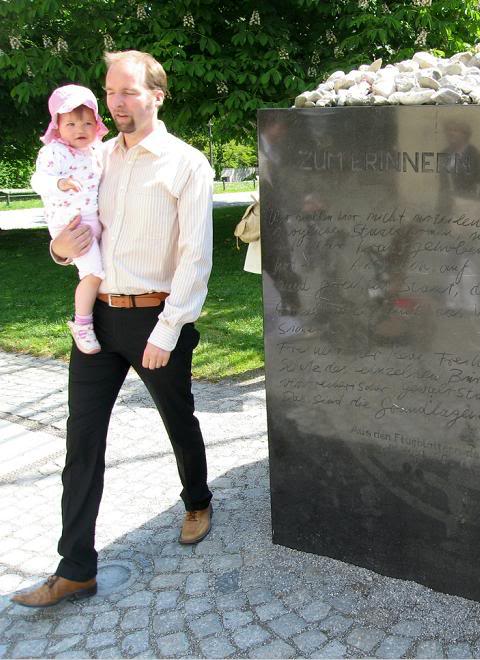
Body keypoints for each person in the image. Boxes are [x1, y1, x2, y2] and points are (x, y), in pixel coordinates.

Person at [11, 50, 215, 608]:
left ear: (157, 95)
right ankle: (75, 568)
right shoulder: (94, 159)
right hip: (98, 318)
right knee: (81, 440)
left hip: (156, 317)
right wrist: (58, 249)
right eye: (110, 92)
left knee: (178, 417)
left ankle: (197, 500)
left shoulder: (185, 163)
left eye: (128, 91)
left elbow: (196, 257)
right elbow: (68, 223)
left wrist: (167, 330)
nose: (116, 102)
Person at [31, 85, 109, 354]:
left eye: (87, 123)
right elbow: (38, 180)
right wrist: (60, 183)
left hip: (92, 218)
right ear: (58, 126)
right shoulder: (54, 152)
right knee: (93, 273)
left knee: (99, 270)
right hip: (72, 223)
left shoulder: (96, 150)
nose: (80, 129)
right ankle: (82, 323)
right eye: (71, 124)